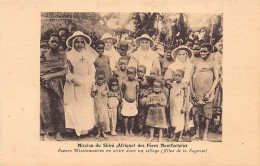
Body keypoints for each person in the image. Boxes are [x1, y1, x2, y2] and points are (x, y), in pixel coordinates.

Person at [63, 31, 97, 137]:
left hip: (85, 84)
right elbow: (66, 71)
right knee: (72, 106)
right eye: (77, 42)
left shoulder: (89, 56)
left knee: (85, 105)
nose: (79, 44)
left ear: (84, 44)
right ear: (73, 43)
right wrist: (71, 79)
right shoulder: (68, 55)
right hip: (72, 84)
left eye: (81, 42)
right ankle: (72, 130)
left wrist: (92, 84)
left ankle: (84, 130)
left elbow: (92, 71)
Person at [40, 33, 68, 141]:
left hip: (57, 84)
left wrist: (49, 76)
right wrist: (43, 76)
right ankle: (46, 133)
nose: (54, 43)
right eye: (52, 41)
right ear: (49, 42)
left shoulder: (63, 55)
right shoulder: (43, 53)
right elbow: (40, 68)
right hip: (44, 84)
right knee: (45, 108)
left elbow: (65, 71)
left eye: (56, 42)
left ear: (60, 43)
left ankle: (58, 133)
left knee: (59, 109)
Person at [190, 43, 219, 141]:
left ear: (209, 52)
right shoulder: (196, 62)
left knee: (207, 114)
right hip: (196, 91)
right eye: (201, 51)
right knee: (196, 113)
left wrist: (210, 92)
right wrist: (192, 92)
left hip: (207, 92)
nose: (202, 53)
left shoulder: (214, 63)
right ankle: (197, 133)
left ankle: (205, 134)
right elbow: (190, 77)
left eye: (205, 51)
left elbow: (216, 79)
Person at [169, 69, 188, 142]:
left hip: (180, 106)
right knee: (173, 120)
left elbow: (186, 97)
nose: (177, 77)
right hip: (173, 106)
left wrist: (184, 107)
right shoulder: (172, 84)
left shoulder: (184, 86)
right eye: (175, 75)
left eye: (179, 76)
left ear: (182, 76)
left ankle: (180, 137)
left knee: (180, 121)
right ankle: (174, 136)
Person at [91, 70, 110, 139]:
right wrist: (93, 91)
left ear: (104, 79)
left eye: (101, 79)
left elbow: (109, 93)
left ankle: (103, 132)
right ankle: (98, 132)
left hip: (103, 104)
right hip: (97, 104)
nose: (100, 81)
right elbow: (92, 95)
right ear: (95, 78)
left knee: (104, 118)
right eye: (98, 79)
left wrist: (106, 92)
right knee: (98, 119)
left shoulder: (105, 85)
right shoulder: (95, 86)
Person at [121, 67, 139, 136]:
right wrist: (122, 101)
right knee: (126, 117)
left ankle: (131, 130)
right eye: (129, 73)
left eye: (133, 74)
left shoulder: (136, 82)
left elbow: (137, 92)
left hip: (133, 102)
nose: (131, 75)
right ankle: (126, 130)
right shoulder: (124, 82)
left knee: (132, 117)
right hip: (126, 102)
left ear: (135, 74)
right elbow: (122, 91)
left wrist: (136, 101)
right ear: (126, 74)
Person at [137, 65, 149, 135]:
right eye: (138, 72)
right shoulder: (135, 79)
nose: (139, 73)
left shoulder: (147, 80)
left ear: (144, 72)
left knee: (146, 115)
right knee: (140, 115)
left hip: (145, 100)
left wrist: (145, 93)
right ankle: (140, 130)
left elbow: (149, 88)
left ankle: (146, 131)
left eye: (141, 72)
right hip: (139, 100)